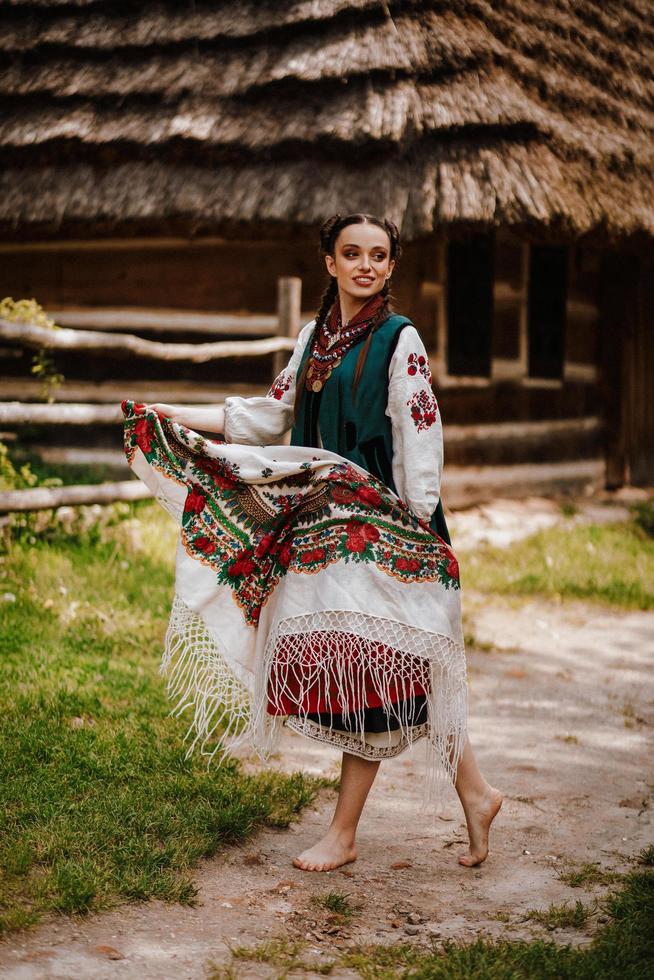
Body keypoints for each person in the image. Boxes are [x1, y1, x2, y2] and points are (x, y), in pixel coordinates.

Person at [143, 212, 502, 873]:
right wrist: (179, 420)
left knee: (377, 664)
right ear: (329, 262)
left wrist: (416, 525)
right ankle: (475, 794)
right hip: (323, 524)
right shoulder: (314, 339)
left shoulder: (402, 340)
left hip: (382, 526)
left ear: (392, 267)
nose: (366, 264)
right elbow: (271, 414)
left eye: (379, 255)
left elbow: (420, 433)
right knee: (400, 663)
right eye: (352, 253)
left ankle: (343, 833)